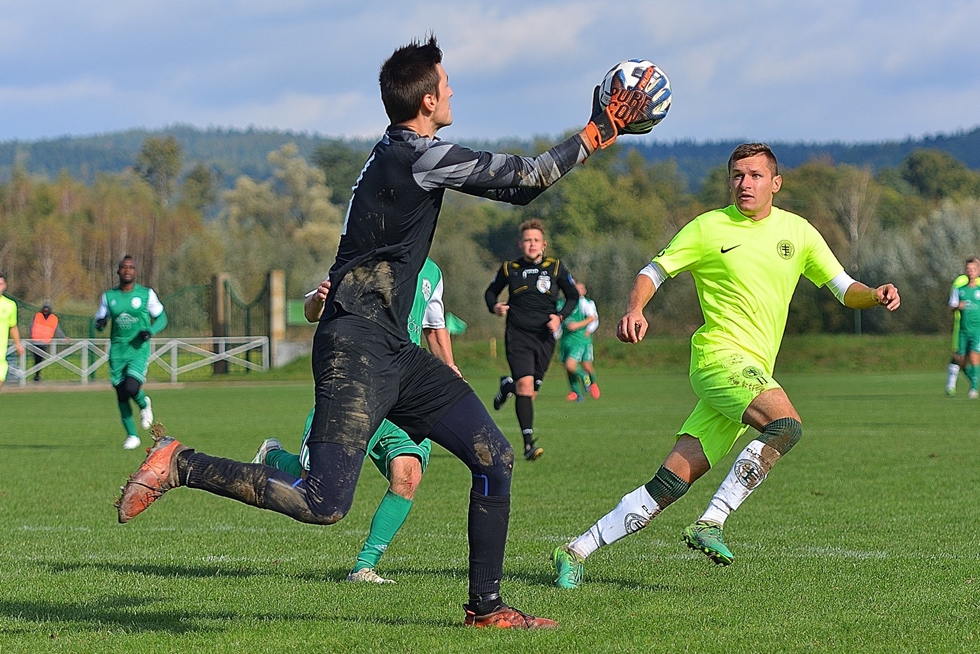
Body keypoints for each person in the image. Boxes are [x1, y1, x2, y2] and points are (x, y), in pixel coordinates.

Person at [116, 34, 669, 629]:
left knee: (493, 455)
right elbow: (523, 179)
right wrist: (593, 133)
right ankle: (181, 463)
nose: (453, 88)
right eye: (446, 82)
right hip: (354, 349)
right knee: (323, 503)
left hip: (392, 349)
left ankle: (486, 608)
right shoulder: (418, 155)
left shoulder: (397, 151)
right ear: (428, 101)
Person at [551, 143, 900, 589]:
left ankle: (576, 549)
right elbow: (653, 271)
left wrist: (875, 294)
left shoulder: (799, 232)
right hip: (719, 358)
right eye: (737, 175)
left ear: (775, 183)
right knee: (786, 426)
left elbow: (843, 287)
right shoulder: (708, 227)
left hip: (753, 373)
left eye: (755, 175)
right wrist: (635, 308)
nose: (744, 183)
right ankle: (711, 521)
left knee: (669, 484)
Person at [253, 257, 458, 584]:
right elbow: (312, 311)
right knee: (315, 481)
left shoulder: (432, 271)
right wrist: (319, 299)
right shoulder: (362, 259)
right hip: (357, 386)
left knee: (408, 474)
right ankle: (273, 457)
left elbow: (434, 325)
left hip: (405, 390)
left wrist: (448, 365)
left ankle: (364, 566)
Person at [485, 220, 578, 460]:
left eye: (536, 240)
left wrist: (560, 317)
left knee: (530, 391)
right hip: (518, 335)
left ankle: (508, 386)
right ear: (520, 244)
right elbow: (491, 292)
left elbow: (573, 297)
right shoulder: (510, 268)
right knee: (525, 387)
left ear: (544, 244)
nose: (532, 244)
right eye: (527, 240)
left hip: (545, 337)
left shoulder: (556, 267)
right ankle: (528, 444)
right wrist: (494, 306)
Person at [95, 255, 168, 450]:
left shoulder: (146, 294)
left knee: (131, 387)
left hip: (138, 349)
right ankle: (132, 435)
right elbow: (100, 319)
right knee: (121, 394)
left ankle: (144, 403)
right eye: (123, 267)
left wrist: (150, 331)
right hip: (117, 351)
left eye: (131, 267)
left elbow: (162, 318)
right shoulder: (109, 297)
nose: (127, 270)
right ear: (118, 271)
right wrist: (101, 323)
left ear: (135, 271)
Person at [558, 281, 601, 402]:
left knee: (584, 365)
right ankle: (575, 392)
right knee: (568, 367)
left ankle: (591, 382)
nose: (578, 290)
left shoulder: (585, 303)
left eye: (580, 288)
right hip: (565, 339)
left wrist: (584, 329)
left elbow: (593, 318)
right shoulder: (562, 302)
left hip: (581, 339)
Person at [948, 258, 980, 399]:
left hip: (977, 329)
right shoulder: (959, 290)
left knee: (974, 357)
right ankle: (974, 379)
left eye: (973, 269)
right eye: (968, 269)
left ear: (978, 271)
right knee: (960, 359)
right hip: (962, 330)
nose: (970, 272)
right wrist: (957, 307)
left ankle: (973, 388)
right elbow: (951, 307)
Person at [29, 301, 68, 382]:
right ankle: (36, 375)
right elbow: (30, 326)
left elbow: (58, 330)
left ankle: (37, 375)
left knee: (40, 360)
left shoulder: (54, 318)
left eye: (47, 309)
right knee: (36, 359)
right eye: (45, 309)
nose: (46, 311)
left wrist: (63, 338)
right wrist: (30, 337)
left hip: (45, 342)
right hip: (35, 341)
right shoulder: (37, 315)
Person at [945, 271, 970, 396]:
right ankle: (951, 386)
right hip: (962, 325)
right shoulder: (960, 281)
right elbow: (952, 304)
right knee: (960, 357)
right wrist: (957, 306)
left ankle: (974, 385)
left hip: (977, 326)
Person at [0, 273, 25, 391]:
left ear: (4, 286)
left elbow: (13, 326)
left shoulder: (10, 305)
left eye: (1, 284)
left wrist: (18, 344)